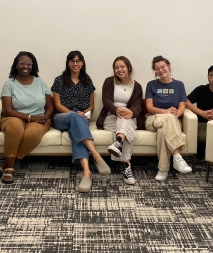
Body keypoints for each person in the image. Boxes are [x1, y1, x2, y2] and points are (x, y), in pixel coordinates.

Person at [51, 51, 110, 193]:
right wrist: (74, 114)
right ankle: (96, 155)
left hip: (81, 116)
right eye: (72, 61)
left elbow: (91, 106)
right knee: (76, 118)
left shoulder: (87, 82)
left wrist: (84, 113)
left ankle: (86, 173)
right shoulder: (59, 80)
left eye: (78, 61)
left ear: (82, 63)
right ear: (68, 63)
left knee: (76, 128)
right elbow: (57, 105)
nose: (75, 64)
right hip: (61, 116)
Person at [0, 51, 54, 184]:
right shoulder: (9, 84)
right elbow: (7, 110)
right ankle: (10, 168)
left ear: (33, 66)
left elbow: (50, 106)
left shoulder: (40, 82)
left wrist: (45, 118)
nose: (25, 66)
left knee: (32, 134)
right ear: (16, 65)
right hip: (14, 117)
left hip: (39, 119)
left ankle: (7, 163)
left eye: (29, 64)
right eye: (22, 63)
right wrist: (31, 118)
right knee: (15, 128)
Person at [96, 56, 144, 185]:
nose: (119, 69)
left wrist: (131, 112)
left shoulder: (137, 86)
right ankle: (126, 167)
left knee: (124, 121)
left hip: (128, 117)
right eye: (116, 67)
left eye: (122, 66)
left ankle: (118, 142)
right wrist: (116, 110)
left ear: (128, 68)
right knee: (125, 128)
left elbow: (138, 105)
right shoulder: (108, 82)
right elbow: (106, 101)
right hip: (110, 116)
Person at [145, 56, 192, 182]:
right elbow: (149, 107)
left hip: (172, 119)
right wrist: (165, 112)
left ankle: (163, 169)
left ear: (169, 66)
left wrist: (173, 117)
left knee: (162, 133)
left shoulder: (179, 85)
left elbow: (182, 106)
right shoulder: (151, 85)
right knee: (166, 121)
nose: (160, 70)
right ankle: (177, 156)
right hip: (154, 118)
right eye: (157, 69)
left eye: (163, 67)